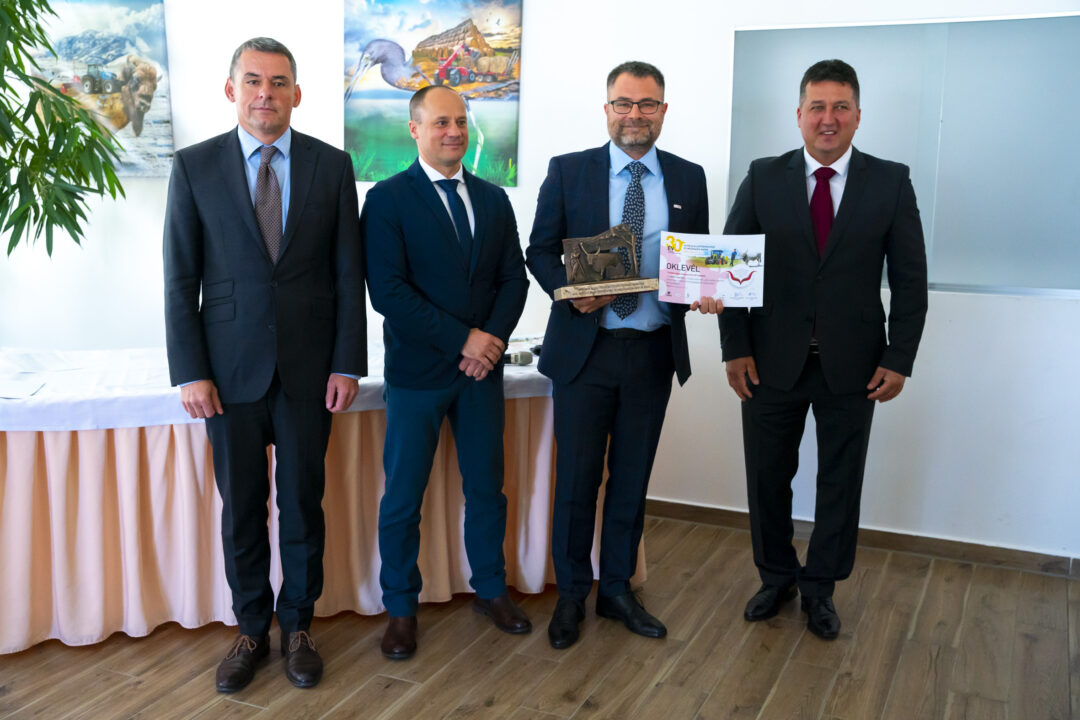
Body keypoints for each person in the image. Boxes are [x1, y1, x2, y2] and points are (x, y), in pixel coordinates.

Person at [163, 37, 366, 691]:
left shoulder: (332, 166)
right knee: (243, 509)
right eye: (253, 80)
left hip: (310, 371)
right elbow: (180, 278)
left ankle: (298, 627)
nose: (265, 94)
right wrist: (190, 370)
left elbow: (348, 274)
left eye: (279, 82)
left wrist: (347, 363)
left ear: (297, 94)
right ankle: (251, 628)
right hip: (227, 374)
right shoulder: (194, 166)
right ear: (232, 90)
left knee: (303, 505)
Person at [720, 59, 928, 639]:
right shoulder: (764, 176)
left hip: (856, 365)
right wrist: (734, 347)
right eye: (817, 107)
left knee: (840, 482)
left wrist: (899, 357)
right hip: (768, 361)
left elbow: (910, 279)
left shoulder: (891, 181)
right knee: (767, 478)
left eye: (841, 107)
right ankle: (776, 577)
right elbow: (732, 265)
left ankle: (820, 589)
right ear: (799, 115)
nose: (828, 118)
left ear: (858, 116)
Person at [526, 60, 720, 650]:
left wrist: (708, 289)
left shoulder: (689, 178)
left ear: (664, 110)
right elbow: (539, 251)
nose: (635, 115)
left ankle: (616, 590)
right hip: (585, 353)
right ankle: (570, 595)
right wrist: (569, 290)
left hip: (653, 352)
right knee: (576, 482)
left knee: (632, 481)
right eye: (624, 103)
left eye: (647, 104)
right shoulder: (569, 170)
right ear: (606, 108)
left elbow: (696, 258)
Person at [362, 85, 531, 660]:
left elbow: (514, 279)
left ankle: (491, 589)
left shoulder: (493, 198)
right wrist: (464, 339)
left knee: (487, 489)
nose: (453, 131)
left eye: (460, 121)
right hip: (417, 374)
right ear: (414, 129)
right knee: (403, 498)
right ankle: (400, 608)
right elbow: (388, 292)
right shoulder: (386, 199)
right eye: (440, 122)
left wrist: (491, 343)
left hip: (481, 374)